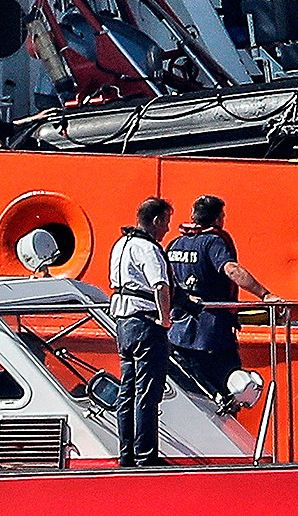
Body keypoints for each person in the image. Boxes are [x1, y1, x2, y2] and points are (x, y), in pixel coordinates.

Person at [166, 195, 275, 406]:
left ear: (193, 216)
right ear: (217, 218)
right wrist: (264, 294)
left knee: (191, 400)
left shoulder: (175, 244)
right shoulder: (214, 242)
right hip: (212, 336)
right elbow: (231, 270)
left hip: (178, 337)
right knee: (232, 392)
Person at [109, 198, 173, 466]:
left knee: (127, 390)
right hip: (145, 322)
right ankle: (146, 455)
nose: (167, 228)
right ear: (156, 221)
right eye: (166, 221)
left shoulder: (120, 245)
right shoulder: (148, 248)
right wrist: (165, 319)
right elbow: (160, 285)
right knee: (147, 391)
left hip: (123, 323)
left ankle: (126, 453)